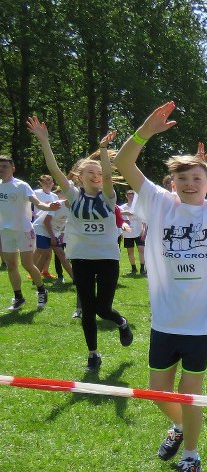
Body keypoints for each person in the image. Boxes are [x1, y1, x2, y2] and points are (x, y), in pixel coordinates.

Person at [112, 96, 207, 472]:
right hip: (165, 319)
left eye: (197, 179)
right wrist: (146, 130)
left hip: (203, 321)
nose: (189, 184)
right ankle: (180, 428)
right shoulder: (159, 204)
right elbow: (123, 162)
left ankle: (191, 454)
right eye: (182, 179)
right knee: (159, 392)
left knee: (191, 392)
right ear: (172, 183)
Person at [27, 121, 131, 370]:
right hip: (81, 258)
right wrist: (44, 141)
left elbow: (108, 175)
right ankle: (93, 354)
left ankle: (122, 322)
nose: (96, 176)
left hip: (107, 258)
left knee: (103, 309)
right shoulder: (73, 196)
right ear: (80, 177)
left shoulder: (109, 197)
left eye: (98, 172)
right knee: (87, 308)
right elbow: (54, 170)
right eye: (90, 173)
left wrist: (103, 150)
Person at [0, 153, 59, 309]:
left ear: (13, 169)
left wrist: (49, 207)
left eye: (5, 166)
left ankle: (41, 290)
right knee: (11, 265)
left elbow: (37, 203)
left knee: (27, 264)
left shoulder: (21, 186)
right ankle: (18, 297)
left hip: (24, 230)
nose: (1, 169)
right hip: (5, 231)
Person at [119, 189, 147, 275]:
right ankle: (133, 268)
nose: (131, 198)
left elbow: (144, 219)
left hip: (139, 232)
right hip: (128, 233)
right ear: (126, 197)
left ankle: (142, 268)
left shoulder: (139, 207)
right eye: (129, 196)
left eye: (132, 196)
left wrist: (143, 230)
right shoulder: (122, 207)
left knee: (141, 250)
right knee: (130, 251)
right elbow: (120, 218)